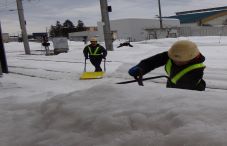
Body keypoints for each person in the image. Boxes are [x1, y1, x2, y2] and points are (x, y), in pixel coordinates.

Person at [128, 40, 206, 91]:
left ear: (192, 57)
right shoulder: (172, 55)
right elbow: (152, 62)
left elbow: (181, 90)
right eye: (174, 59)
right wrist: (141, 68)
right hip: (171, 88)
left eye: (181, 60)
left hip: (192, 94)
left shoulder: (197, 70)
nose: (176, 61)